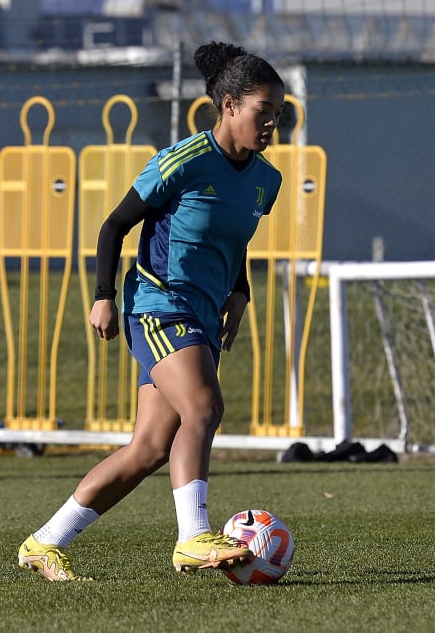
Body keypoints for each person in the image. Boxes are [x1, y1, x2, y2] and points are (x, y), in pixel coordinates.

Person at [17, 41, 284, 581]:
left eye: (279, 114)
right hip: (159, 304)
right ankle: (193, 539)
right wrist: (102, 296)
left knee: (148, 449)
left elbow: (236, 240)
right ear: (229, 105)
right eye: (264, 111)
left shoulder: (265, 180)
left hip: (203, 315)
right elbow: (113, 226)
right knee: (204, 407)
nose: (272, 124)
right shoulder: (180, 162)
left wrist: (241, 290)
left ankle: (44, 543)